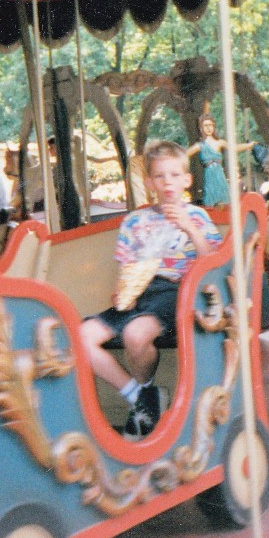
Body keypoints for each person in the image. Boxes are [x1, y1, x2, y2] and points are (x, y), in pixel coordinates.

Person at [79, 140, 222, 439]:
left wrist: (190, 228)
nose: (167, 182)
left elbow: (213, 262)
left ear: (187, 180)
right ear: (149, 183)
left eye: (174, 175)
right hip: (140, 292)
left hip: (176, 292)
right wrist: (121, 292)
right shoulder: (135, 221)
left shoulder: (197, 217)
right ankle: (141, 398)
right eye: (159, 176)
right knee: (81, 337)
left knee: (135, 335)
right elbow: (127, 267)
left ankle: (143, 401)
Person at [185, 113, 255, 207]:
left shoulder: (219, 143)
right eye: (205, 126)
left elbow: (234, 147)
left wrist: (249, 145)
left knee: (224, 197)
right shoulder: (200, 146)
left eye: (210, 125)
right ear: (201, 128)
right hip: (209, 175)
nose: (208, 128)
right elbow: (185, 154)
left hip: (219, 174)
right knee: (210, 198)